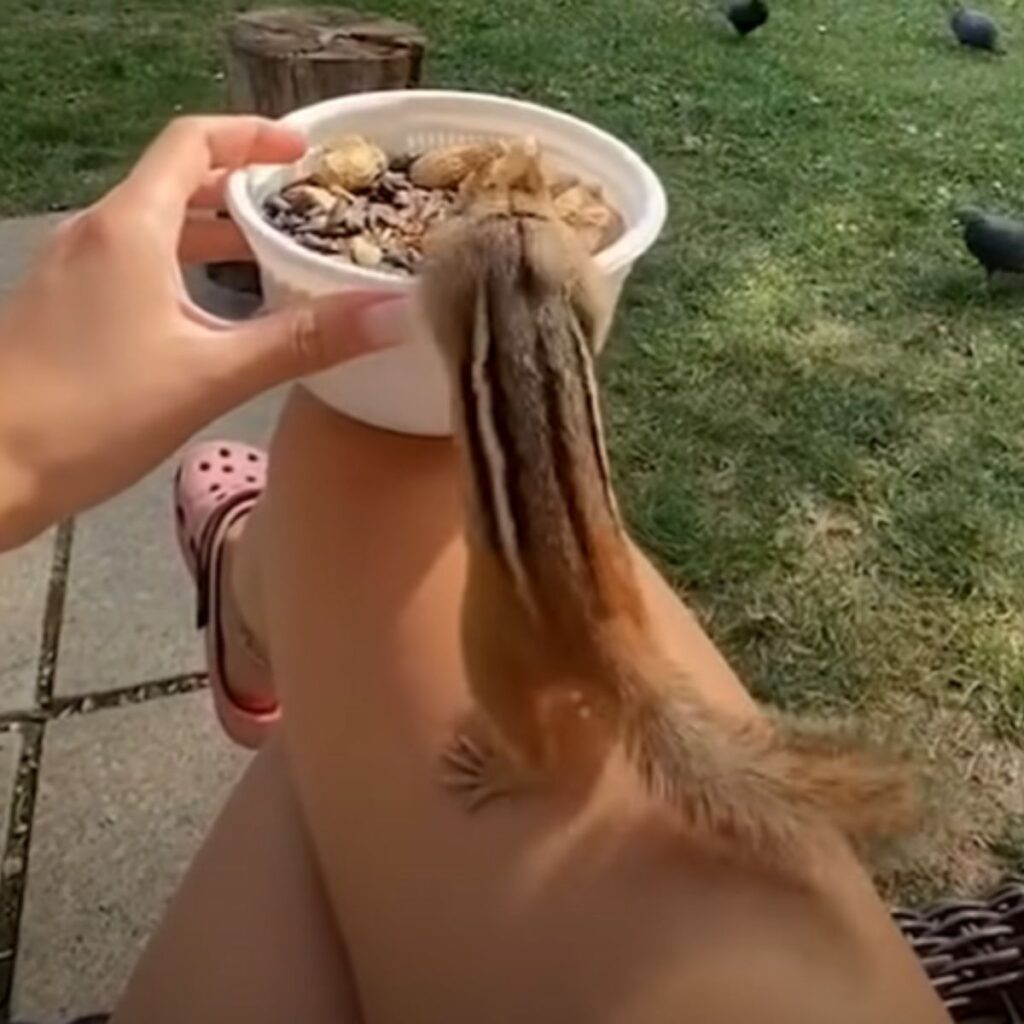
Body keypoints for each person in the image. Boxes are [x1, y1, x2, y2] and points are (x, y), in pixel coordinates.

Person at [0, 116, 952, 1024]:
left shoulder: (460, 278)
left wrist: (23, 455)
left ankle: (264, 603)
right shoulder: (552, 276)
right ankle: (263, 603)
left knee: (358, 470)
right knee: (342, 704)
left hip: (523, 609)